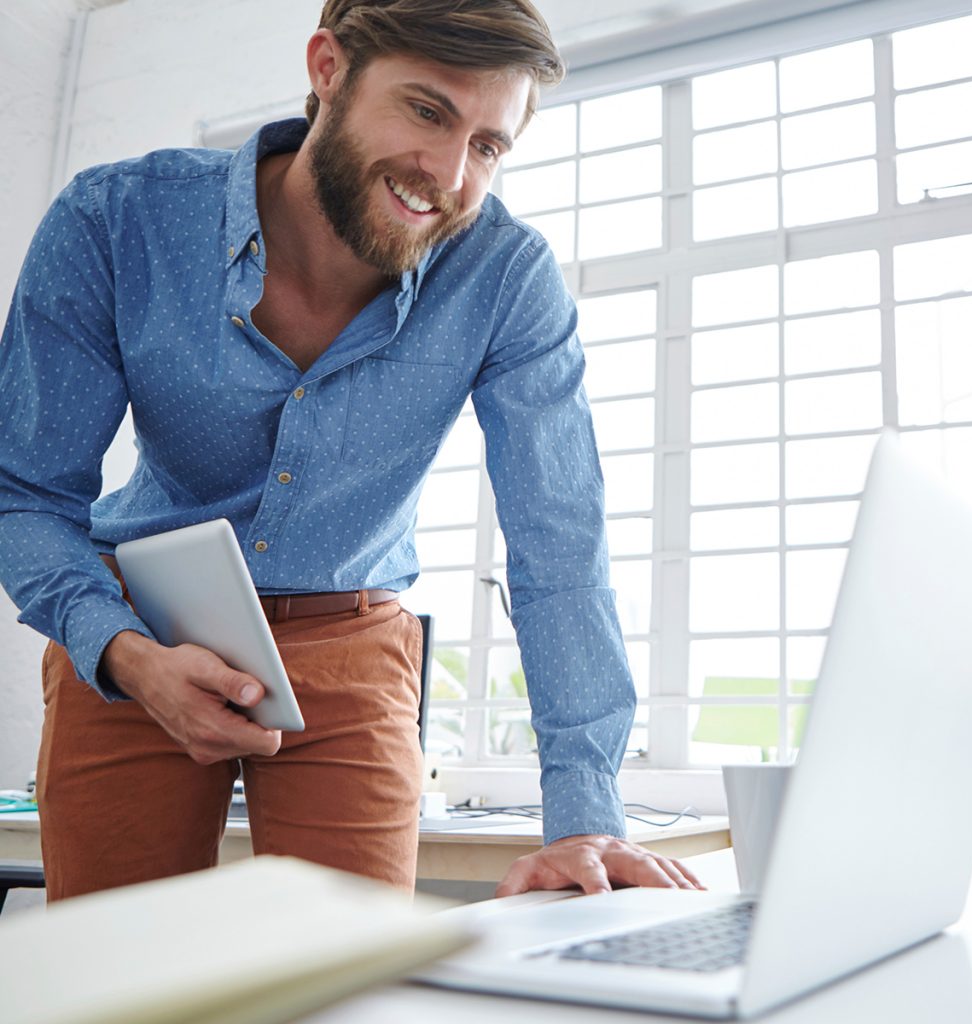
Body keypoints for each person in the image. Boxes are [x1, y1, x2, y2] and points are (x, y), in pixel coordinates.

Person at [0, 0, 702, 900]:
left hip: (356, 644)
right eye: (427, 111)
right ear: (328, 68)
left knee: (355, 984)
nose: (448, 173)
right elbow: (25, 491)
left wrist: (586, 818)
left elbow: (559, 542)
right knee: (114, 982)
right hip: (138, 637)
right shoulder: (118, 219)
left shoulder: (505, 278)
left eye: (488, 146)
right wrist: (123, 652)